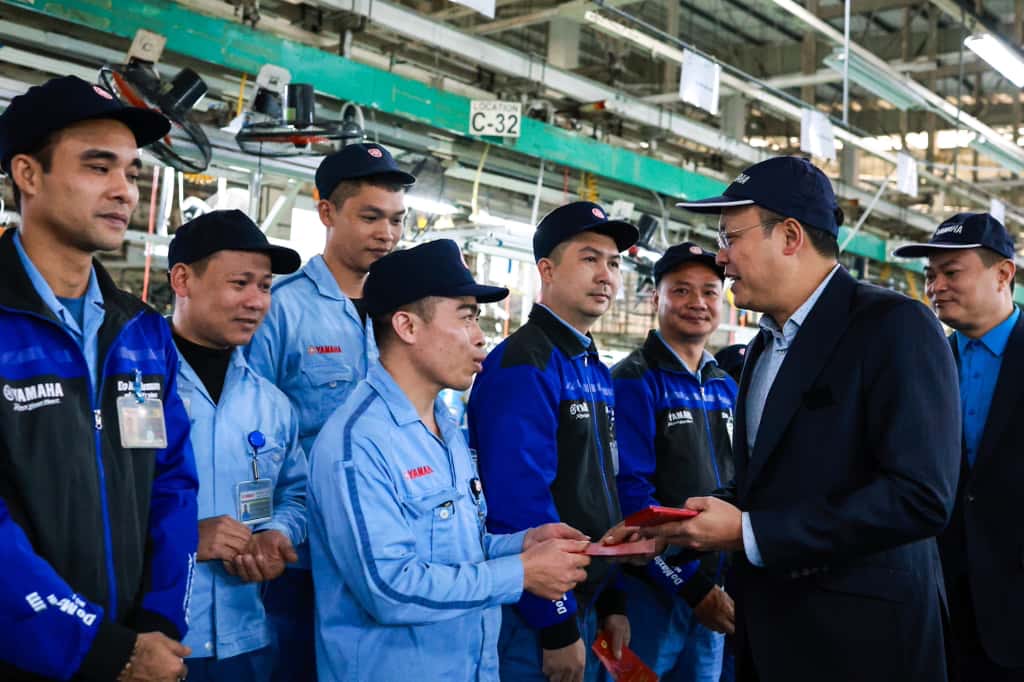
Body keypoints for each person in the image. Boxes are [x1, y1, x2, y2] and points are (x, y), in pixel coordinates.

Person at [624, 156, 960, 682]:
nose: (722, 257)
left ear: (789, 236)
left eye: (730, 236)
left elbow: (920, 496)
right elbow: (775, 480)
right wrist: (685, 525)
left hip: (862, 644)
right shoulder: (762, 348)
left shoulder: (893, 327)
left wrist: (751, 533)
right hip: (772, 634)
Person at [307, 238, 593, 681]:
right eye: (465, 317)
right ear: (407, 326)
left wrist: (523, 543)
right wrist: (519, 573)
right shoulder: (358, 443)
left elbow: (460, 549)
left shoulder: (445, 430)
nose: (480, 337)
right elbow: (389, 588)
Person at [0, 75, 198, 681]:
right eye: (97, 167)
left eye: (131, 173)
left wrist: (160, 623)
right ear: (28, 175)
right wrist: (95, 645)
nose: (124, 192)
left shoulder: (141, 334)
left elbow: (172, 482)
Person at [245, 142, 414, 680]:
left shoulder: (403, 316)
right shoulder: (282, 308)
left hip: (385, 550)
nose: (387, 234)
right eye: (370, 217)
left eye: (396, 220)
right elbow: (249, 427)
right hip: (301, 555)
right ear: (326, 213)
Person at [468, 201, 640, 682]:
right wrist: (556, 626)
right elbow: (517, 504)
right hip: (535, 614)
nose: (606, 275)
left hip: (586, 599)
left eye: (614, 262)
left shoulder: (592, 367)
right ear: (547, 269)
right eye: (590, 259)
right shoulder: (525, 364)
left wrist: (613, 600)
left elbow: (604, 490)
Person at [165, 210, 308, 681]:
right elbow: (93, 504)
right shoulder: (134, 384)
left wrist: (277, 534)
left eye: (264, 286)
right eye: (239, 283)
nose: (256, 301)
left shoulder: (270, 404)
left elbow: (296, 494)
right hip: (155, 640)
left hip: (245, 640)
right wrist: (186, 535)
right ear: (183, 280)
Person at [893, 213, 1024, 681]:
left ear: (1003, 274)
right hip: (937, 600)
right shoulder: (922, 361)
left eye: (952, 273)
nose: (935, 287)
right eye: (930, 276)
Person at [611, 243, 737, 682]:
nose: (697, 303)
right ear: (655, 299)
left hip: (717, 593)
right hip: (654, 592)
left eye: (709, 291)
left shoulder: (726, 386)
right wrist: (691, 586)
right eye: (681, 290)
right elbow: (630, 494)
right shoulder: (633, 379)